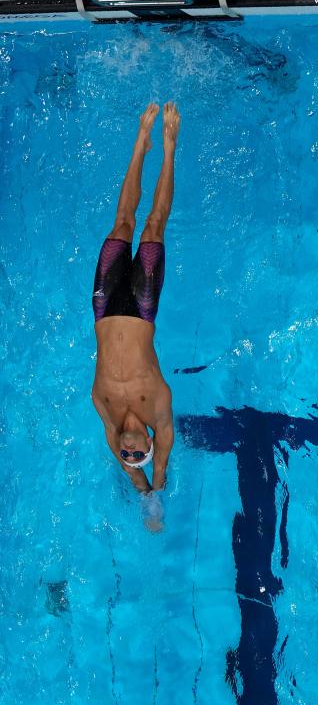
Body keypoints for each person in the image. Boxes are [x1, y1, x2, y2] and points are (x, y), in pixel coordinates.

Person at [91, 102, 179, 531]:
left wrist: (139, 493)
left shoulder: (105, 410)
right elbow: (159, 465)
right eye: (135, 453)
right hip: (142, 308)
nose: (128, 452)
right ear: (147, 441)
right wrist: (155, 492)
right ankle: (166, 146)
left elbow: (131, 472)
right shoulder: (157, 406)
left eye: (124, 455)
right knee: (154, 227)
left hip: (105, 306)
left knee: (122, 222)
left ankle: (138, 146)